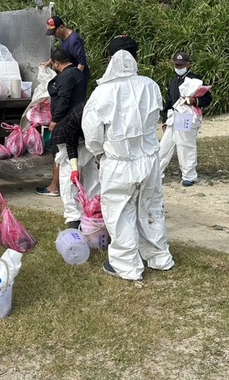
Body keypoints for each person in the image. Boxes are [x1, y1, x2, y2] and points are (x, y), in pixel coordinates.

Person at [82, 35, 174, 280]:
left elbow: (91, 131)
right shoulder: (150, 85)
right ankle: (159, 257)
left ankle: (126, 265)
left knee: (120, 211)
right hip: (149, 160)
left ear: (111, 59)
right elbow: (154, 118)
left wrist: (99, 153)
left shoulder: (103, 92)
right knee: (151, 207)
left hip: (119, 163)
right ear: (135, 57)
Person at [36, 49, 87, 197]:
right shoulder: (79, 73)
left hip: (65, 119)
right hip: (78, 118)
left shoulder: (65, 76)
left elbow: (63, 99)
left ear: (56, 63)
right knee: (73, 153)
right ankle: (75, 186)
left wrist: (55, 119)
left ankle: (54, 187)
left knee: (59, 153)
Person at [159, 52, 213, 186]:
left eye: (181, 65)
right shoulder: (173, 81)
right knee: (164, 146)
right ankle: (156, 173)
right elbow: (169, 102)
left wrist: (195, 100)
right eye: (176, 65)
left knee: (185, 145)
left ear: (188, 64)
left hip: (185, 115)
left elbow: (207, 99)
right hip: (173, 116)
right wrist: (165, 120)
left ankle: (189, 175)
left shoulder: (195, 80)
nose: (178, 67)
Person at [50, 101, 100, 230]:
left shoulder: (106, 114)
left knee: (93, 174)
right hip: (66, 139)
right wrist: (74, 169)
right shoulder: (78, 113)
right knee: (69, 179)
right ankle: (73, 217)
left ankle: (92, 211)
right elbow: (71, 144)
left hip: (89, 141)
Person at [46, 15, 90, 84]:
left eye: (54, 32)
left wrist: (75, 78)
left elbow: (81, 61)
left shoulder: (74, 40)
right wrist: (50, 61)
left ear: (61, 27)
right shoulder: (63, 37)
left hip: (78, 75)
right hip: (70, 73)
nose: (54, 34)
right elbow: (63, 52)